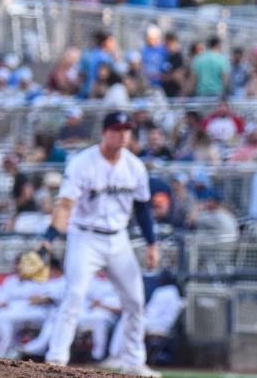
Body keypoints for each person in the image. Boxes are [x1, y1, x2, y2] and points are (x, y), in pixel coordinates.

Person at [42, 112, 160, 377]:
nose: (123, 135)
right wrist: (48, 239)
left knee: (135, 301)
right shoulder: (82, 163)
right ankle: (56, 360)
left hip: (119, 239)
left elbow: (142, 210)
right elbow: (65, 205)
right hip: (85, 236)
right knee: (74, 295)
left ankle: (133, 362)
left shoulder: (135, 166)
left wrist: (152, 244)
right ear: (104, 132)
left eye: (127, 130)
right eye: (117, 129)